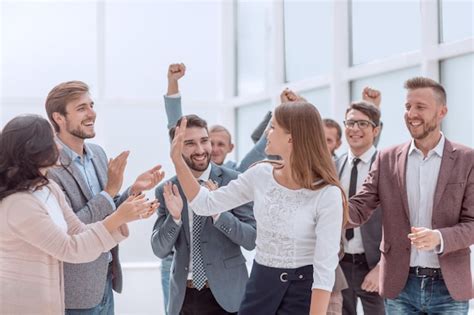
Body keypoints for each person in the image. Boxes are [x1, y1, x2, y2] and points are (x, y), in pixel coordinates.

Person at [168, 101, 346, 314]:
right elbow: (204, 204)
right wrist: (178, 161)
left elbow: (325, 270)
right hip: (259, 286)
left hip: (303, 290)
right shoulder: (259, 175)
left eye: (272, 127)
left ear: (291, 138)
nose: (267, 134)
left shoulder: (328, 194)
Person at [0, 115, 159, 314]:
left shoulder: (47, 188)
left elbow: (78, 230)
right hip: (22, 305)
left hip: (54, 301)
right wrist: (118, 217)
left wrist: (124, 216)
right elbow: (71, 248)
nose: (57, 146)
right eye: (51, 140)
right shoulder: (19, 204)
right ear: (34, 150)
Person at [348, 77, 474, 314]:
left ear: (441, 112)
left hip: (448, 287)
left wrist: (439, 237)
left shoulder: (467, 159)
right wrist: (325, 203)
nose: (411, 113)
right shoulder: (386, 159)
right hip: (400, 286)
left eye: (420, 107)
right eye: (407, 107)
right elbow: (360, 206)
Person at [45, 80, 164, 314]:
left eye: (91, 105)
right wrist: (110, 190)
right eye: (81, 108)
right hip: (75, 291)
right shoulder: (48, 165)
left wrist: (133, 191)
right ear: (59, 117)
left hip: (105, 280)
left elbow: (109, 209)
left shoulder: (97, 154)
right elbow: (69, 230)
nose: (92, 113)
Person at [151, 114, 256, 315]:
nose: (200, 150)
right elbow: (159, 250)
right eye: (190, 143)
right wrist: (173, 219)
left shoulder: (234, 181)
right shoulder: (167, 190)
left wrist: (217, 212)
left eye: (204, 141)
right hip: (184, 298)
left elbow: (251, 239)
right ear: (176, 148)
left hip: (228, 296)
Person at [164, 63, 267, 172]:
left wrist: (282, 109)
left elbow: (259, 150)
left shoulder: (236, 173)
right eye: (210, 143)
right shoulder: (189, 165)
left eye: (221, 144)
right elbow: (176, 126)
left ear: (230, 148)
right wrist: (173, 81)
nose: (215, 149)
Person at [337, 100, 384, 315]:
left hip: (374, 264)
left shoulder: (388, 166)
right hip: (340, 263)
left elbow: (401, 222)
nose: (355, 129)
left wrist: (382, 266)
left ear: (375, 130)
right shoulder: (333, 166)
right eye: (350, 123)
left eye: (363, 124)